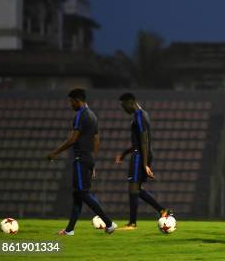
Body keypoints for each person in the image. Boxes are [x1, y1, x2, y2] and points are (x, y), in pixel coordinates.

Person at [47, 88, 116, 235]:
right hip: (88, 158)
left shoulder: (80, 115)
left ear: (77, 101)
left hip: (80, 159)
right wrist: (93, 160)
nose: (70, 105)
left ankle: (109, 223)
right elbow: (97, 139)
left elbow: (73, 139)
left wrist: (55, 152)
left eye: (71, 102)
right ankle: (70, 230)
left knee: (82, 193)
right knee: (77, 195)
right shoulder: (93, 115)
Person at [115, 92, 172, 230]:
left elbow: (144, 140)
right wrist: (124, 154)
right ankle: (162, 210)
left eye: (124, 105)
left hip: (140, 155)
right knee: (137, 189)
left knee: (133, 188)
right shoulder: (141, 115)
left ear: (131, 103)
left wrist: (145, 163)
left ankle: (132, 223)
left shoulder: (140, 116)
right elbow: (139, 141)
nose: (123, 109)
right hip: (140, 153)